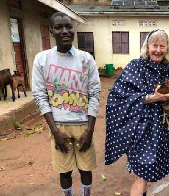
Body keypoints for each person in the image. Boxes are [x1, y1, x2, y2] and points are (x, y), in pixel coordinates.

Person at [32, 12, 100, 196]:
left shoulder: (86, 59)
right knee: (65, 172)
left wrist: (90, 130)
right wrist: (55, 132)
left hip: (84, 126)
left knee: (86, 170)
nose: (65, 31)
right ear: (51, 31)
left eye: (69, 26)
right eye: (59, 27)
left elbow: (94, 94)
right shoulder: (42, 59)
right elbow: (39, 95)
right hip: (59, 127)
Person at [105, 29, 169, 196]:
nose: (158, 50)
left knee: (147, 171)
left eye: (162, 46)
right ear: (147, 47)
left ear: (167, 48)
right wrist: (153, 98)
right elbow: (118, 97)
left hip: (159, 128)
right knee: (142, 174)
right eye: (154, 46)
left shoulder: (168, 68)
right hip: (139, 127)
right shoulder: (136, 66)